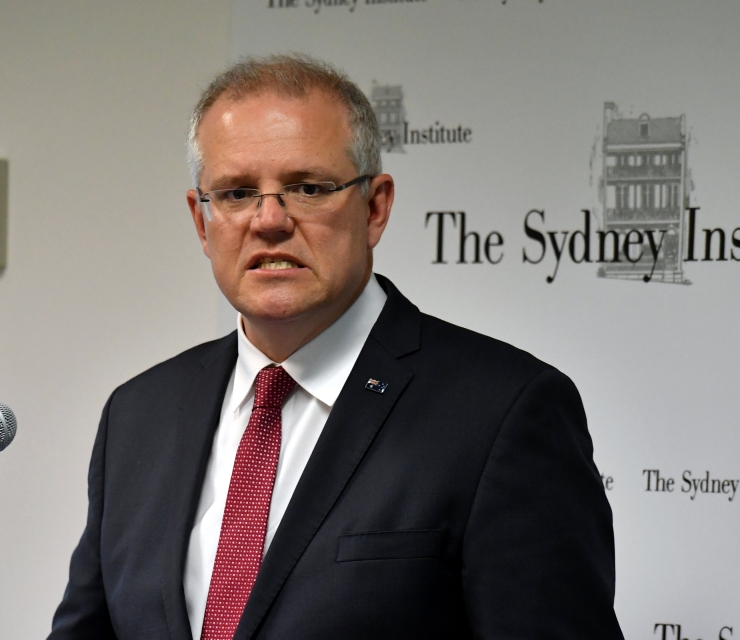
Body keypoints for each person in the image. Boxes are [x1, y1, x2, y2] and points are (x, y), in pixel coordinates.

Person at [49, 54, 624, 640]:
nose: (269, 220)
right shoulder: (138, 415)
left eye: (308, 188)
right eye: (237, 192)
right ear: (202, 223)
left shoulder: (502, 412)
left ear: (375, 208)